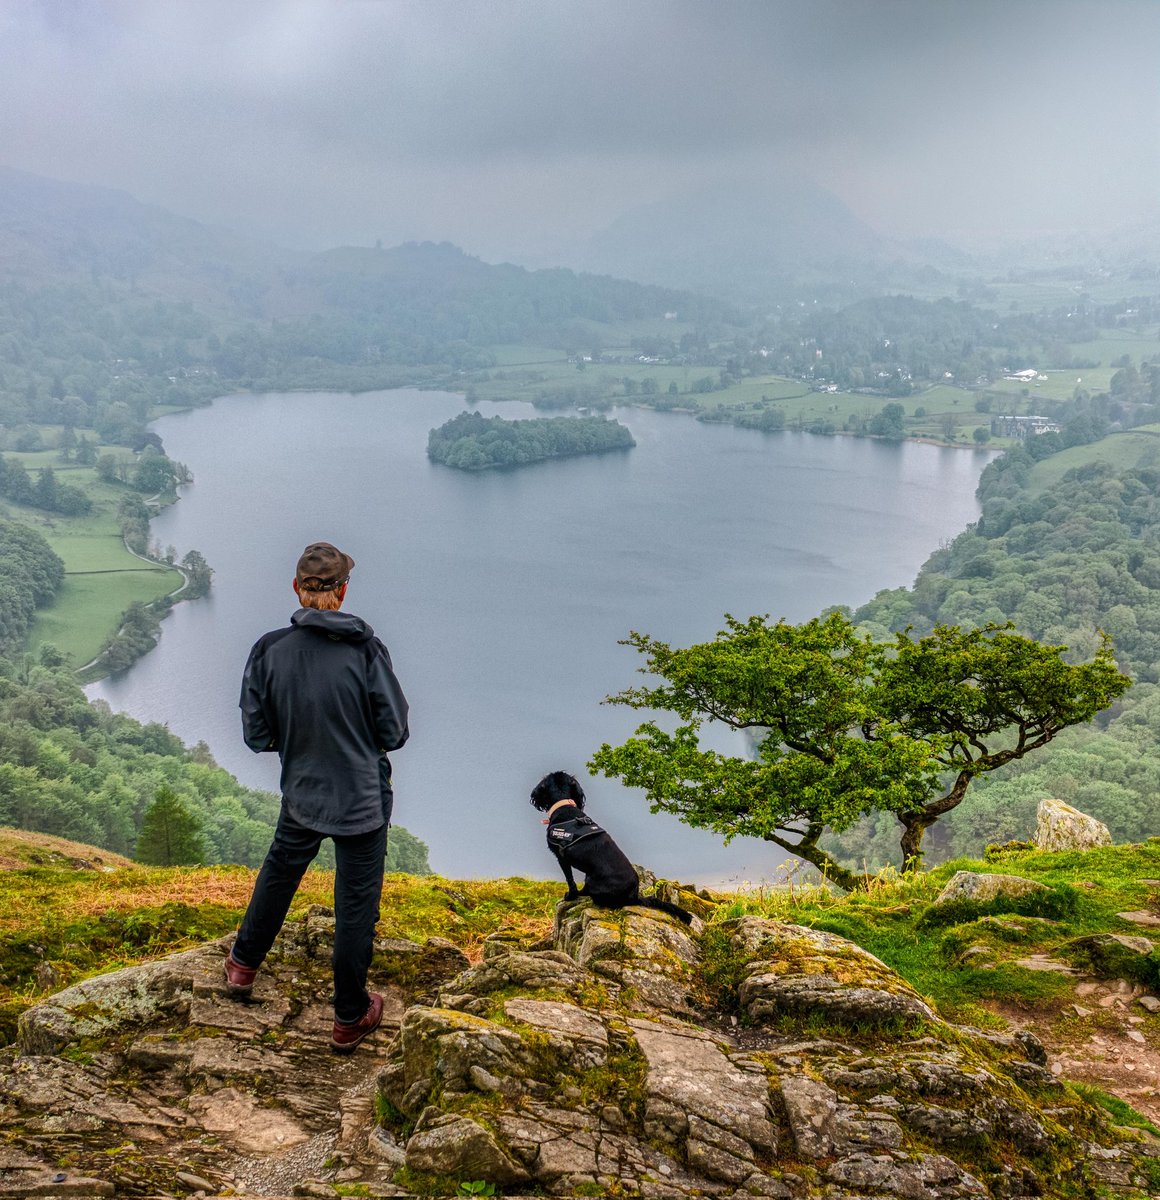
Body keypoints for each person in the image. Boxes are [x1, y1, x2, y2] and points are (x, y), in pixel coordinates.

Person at [227, 541, 409, 1053]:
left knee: (280, 874)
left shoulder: (269, 650)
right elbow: (393, 732)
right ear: (344, 590)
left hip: (302, 792)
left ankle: (242, 966)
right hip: (362, 801)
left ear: (297, 589)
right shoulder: (366, 652)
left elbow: (257, 735)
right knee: (355, 908)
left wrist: (301, 738)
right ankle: (349, 1017)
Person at [530, 770, 693, 924]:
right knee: (597, 863)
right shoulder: (582, 821)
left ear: (546, 793)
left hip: (609, 893)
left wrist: (573, 891)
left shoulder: (558, 830)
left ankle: (587, 891)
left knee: (592, 870)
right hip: (629, 884)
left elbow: (564, 860)